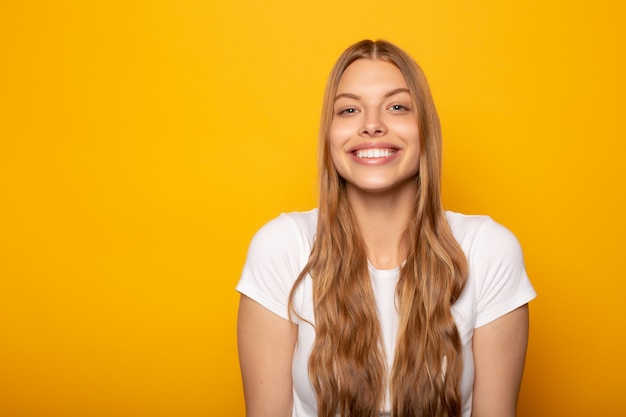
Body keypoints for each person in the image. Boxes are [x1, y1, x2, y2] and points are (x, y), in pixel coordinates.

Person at [236, 39, 536, 417]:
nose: (372, 126)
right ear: (329, 136)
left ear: (424, 128)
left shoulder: (488, 251)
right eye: (348, 109)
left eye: (397, 107)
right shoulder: (282, 247)